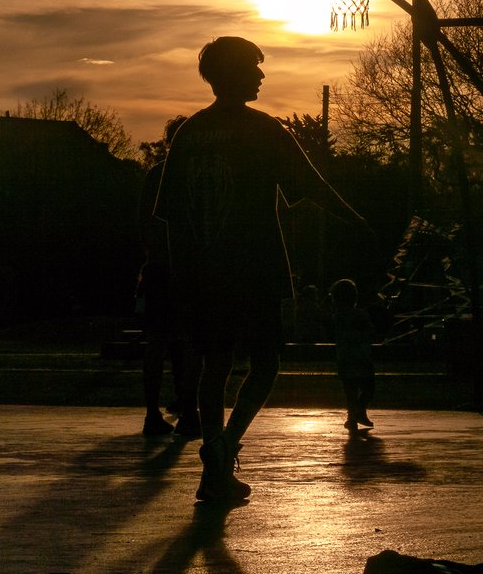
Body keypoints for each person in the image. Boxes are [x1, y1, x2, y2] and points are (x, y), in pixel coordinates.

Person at [155, 36, 365, 503]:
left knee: (215, 366)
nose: (261, 75)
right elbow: (311, 188)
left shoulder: (189, 133)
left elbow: (170, 217)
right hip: (256, 268)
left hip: (203, 272)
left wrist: (181, 276)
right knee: (265, 363)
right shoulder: (265, 131)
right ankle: (225, 448)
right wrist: (359, 221)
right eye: (254, 66)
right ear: (233, 72)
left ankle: (214, 449)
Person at [135, 116, 195, 437]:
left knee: (159, 343)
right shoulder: (184, 176)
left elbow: (143, 223)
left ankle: (154, 411)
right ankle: (186, 407)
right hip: (179, 267)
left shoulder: (156, 175)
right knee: (184, 342)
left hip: (160, 266)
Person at [329, 278, 377, 430]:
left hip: (344, 357)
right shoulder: (359, 314)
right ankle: (359, 411)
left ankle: (353, 418)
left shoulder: (337, 316)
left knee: (350, 391)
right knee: (369, 388)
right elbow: (369, 332)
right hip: (361, 356)